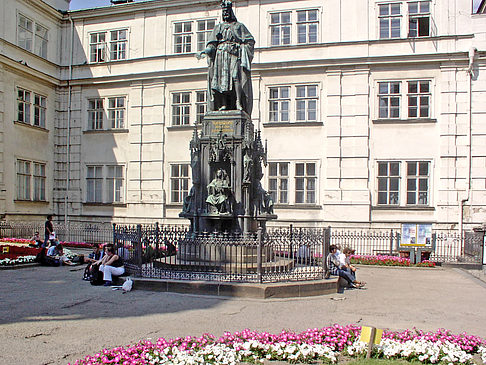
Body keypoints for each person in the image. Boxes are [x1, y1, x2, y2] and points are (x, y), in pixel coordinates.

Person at [197, 0, 255, 114]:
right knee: (220, 80)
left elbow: (250, 41)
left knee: (235, 77)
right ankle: (222, 103)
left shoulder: (239, 26)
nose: (225, 14)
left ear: (231, 12)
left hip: (233, 54)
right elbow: (212, 45)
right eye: (224, 12)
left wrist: (241, 48)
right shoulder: (218, 27)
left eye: (227, 11)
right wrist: (204, 51)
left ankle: (238, 101)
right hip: (220, 56)